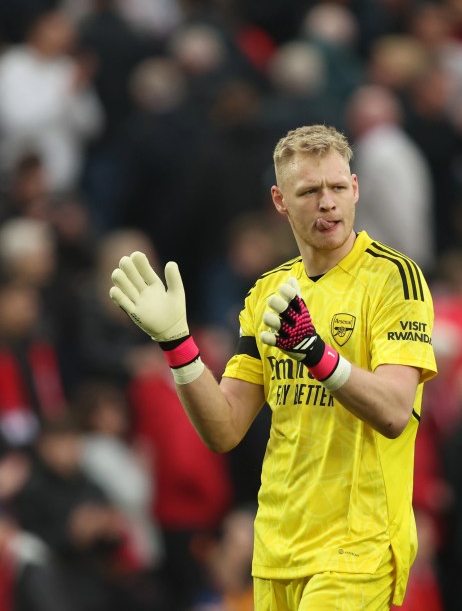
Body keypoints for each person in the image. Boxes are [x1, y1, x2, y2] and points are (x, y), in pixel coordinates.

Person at [109, 124, 438, 610]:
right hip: (276, 547)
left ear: (356, 190)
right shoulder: (267, 292)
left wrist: (316, 354)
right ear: (280, 201)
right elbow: (223, 428)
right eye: (310, 191)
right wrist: (177, 343)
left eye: (338, 188)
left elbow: (393, 410)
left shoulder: (394, 278)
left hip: (357, 548)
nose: (328, 203)